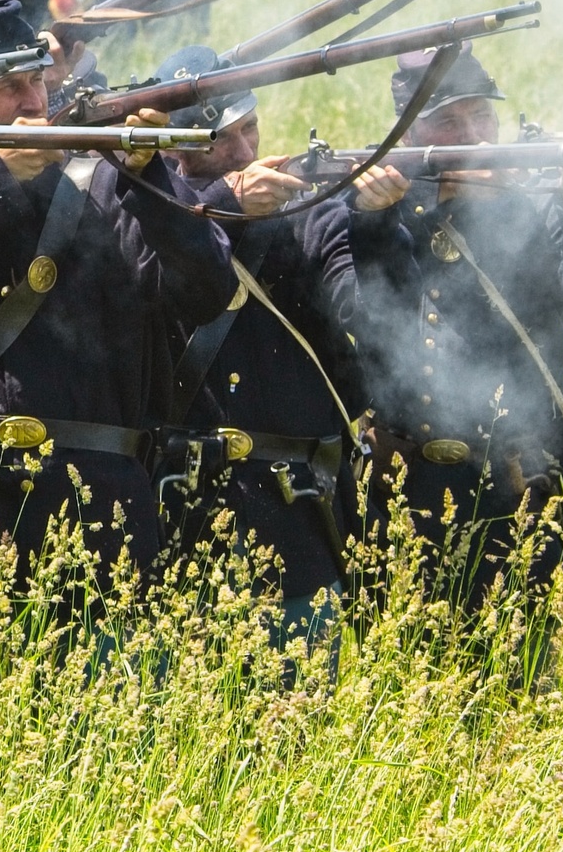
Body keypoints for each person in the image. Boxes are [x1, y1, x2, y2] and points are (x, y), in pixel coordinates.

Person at [0, 0, 233, 599]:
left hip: (107, 510)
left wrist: (151, 175)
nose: (34, 102)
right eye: (10, 88)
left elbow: (206, 291)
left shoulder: (117, 180)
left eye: (36, 81)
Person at [350, 49, 563, 634]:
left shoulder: (535, 202)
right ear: (409, 136)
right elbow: (372, 309)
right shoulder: (382, 207)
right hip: (404, 483)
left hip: (519, 477)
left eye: (482, 119)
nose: (473, 136)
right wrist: (435, 205)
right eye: (449, 123)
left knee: (530, 678)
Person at [154, 44, 405, 652]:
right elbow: (160, 287)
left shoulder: (304, 213)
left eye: (248, 130)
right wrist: (223, 210)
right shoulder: (151, 216)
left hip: (299, 503)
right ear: (173, 151)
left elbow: (365, 313)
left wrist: (373, 223)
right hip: (186, 503)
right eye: (219, 140)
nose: (243, 152)